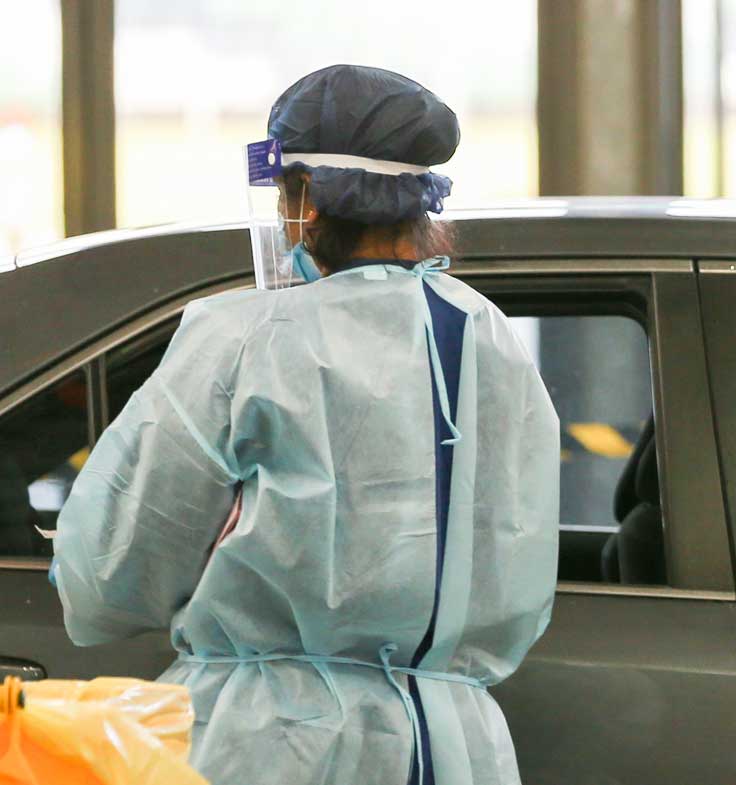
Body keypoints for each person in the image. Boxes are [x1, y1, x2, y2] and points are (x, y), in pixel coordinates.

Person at [51, 65, 560, 785]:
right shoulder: (490, 338)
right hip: (452, 747)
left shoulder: (246, 339)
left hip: (269, 745)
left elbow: (110, 567)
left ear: (307, 200)